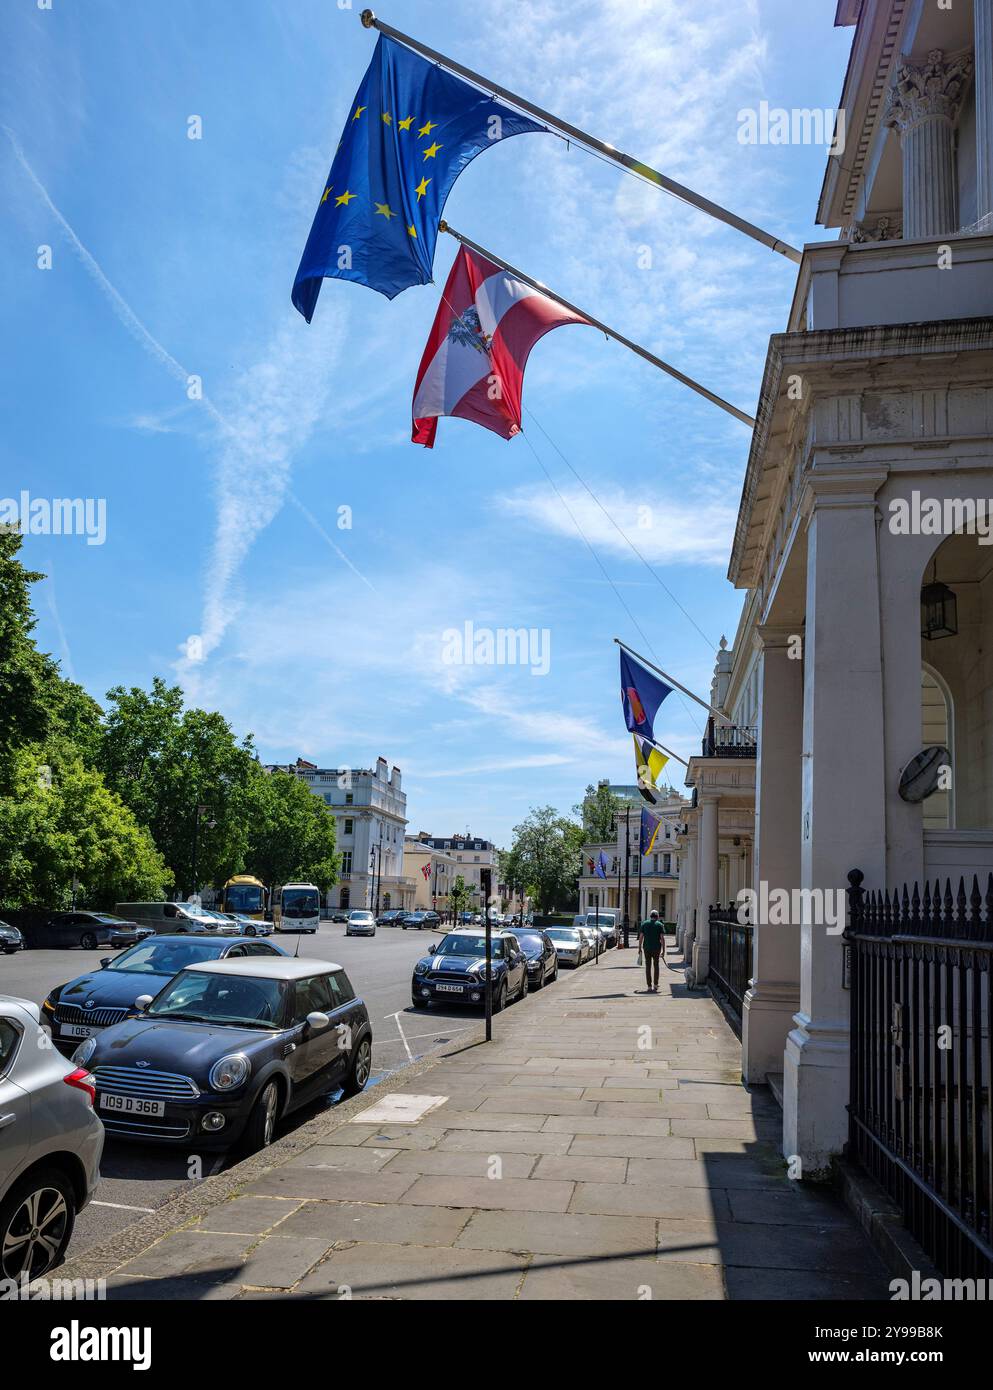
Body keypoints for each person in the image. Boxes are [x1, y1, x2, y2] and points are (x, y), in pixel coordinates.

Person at [638, 909, 664, 992]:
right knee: (656, 966)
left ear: (650, 916)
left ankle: (649, 986)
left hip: (647, 948)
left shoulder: (644, 924)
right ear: (657, 917)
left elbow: (641, 937)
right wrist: (663, 950)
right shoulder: (659, 925)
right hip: (656, 948)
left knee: (648, 966)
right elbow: (662, 938)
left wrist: (639, 947)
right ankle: (655, 985)